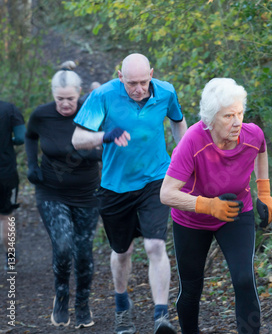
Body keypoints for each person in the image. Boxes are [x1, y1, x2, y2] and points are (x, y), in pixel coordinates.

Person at [71, 53, 187, 334]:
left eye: (143, 82)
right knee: (122, 252)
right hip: (115, 186)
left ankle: (161, 316)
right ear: (120, 76)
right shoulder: (103, 96)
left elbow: (177, 122)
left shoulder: (166, 91)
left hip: (156, 179)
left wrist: (186, 161)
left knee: (155, 246)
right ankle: (122, 307)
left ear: (152, 74)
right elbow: (77, 139)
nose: (138, 89)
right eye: (131, 82)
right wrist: (105, 136)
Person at [160, 78, 272, 334]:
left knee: (245, 279)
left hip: (236, 212)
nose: (237, 122)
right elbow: (166, 194)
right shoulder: (192, 141)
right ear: (211, 119)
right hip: (192, 219)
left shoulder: (251, 134)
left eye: (239, 113)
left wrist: (264, 193)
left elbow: (261, 149)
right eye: (228, 116)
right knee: (191, 287)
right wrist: (208, 206)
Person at [25, 61, 101, 328]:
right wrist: (32, 165)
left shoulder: (92, 114)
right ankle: (61, 296)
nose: (65, 104)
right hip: (51, 192)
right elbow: (30, 136)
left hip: (87, 193)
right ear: (53, 95)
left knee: (83, 252)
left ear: (79, 93)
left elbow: (107, 146)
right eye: (60, 99)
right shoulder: (42, 115)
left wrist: (91, 151)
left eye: (70, 98)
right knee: (63, 244)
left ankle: (82, 304)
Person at [0, 100, 25, 270]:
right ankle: (10, 258)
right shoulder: (9, 109)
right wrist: (10, 140)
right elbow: (21, 137)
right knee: (6, 215)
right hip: (5, 173)